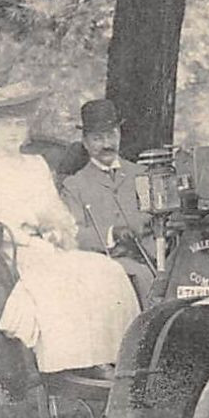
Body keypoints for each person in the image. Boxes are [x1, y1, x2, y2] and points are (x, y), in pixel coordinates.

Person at [0, 82, 139, 375]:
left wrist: (57, 229)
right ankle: (68, 363)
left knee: (107, 271)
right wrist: (30, 230)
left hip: (47, 245)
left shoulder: (36, 164)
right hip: (7, 248)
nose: (14, 131)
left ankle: (110, 357)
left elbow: (55, 211)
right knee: (62, 279)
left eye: (19, 124)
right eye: (6, 125)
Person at [60, 98, 154, 293]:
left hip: (148, 265)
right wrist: (111, 234)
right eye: (97, 139)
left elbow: (156, 220)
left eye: (111, 135)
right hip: (102, 271)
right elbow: (73, 233)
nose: (107, 145)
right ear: (85, 143)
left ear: (119, 134)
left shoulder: (142, 175)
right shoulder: (74, 186)